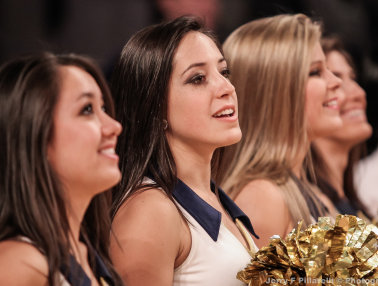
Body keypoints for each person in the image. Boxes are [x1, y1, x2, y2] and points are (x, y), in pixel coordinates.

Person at [109, 16, 258, 286]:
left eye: (224, 72)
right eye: (198, 78)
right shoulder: (149, 211)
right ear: (154, 107)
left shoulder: (216, 198)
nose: (227, 88)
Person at [218, 14, 343, 248]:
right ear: (275, 92)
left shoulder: (306, 188)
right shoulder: (263, 197)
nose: (335, 81)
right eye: (316, 72)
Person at [0, 53, 123, 285]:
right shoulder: (17, 263)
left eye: (104, 108)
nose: (114, 126)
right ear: (34, 135)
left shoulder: (87, 254)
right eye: (87, 110)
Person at [310, 36, 372, 218]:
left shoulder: (350, 197)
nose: (359, 93)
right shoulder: (305, 201)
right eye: (336, 77)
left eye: (352, 78)